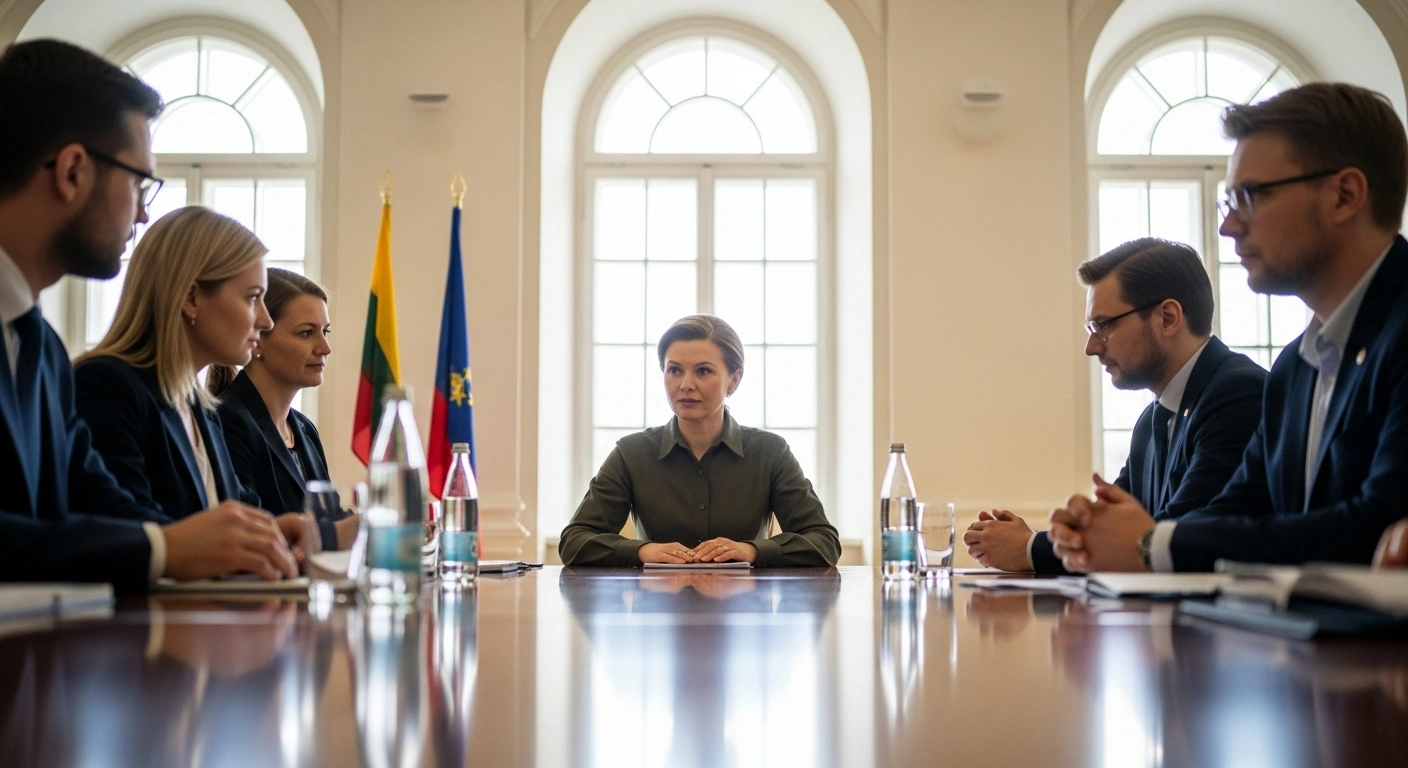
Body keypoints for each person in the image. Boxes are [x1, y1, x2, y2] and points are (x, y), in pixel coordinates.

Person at [1050, 82, 1408, 572]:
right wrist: (1122, 536)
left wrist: (1153, 546)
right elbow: (1239, 507)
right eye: (1227, 203)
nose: (1228, 227)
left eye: (1249, 196)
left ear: (1345, 195)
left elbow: (1376, 525)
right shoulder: (1293, 367)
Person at [0, 38, 295, 590]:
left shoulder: (41, 349)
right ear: (72, 172)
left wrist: (252, 543)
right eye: (139, 182)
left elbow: (101, 508)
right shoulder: (92, 376)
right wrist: (164, 547)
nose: (142, 214)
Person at [963, 238, 1264, 573]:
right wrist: (1032, 539)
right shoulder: (1151, 420)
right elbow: (1112, 530)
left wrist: (1031, 548)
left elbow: (1178, 535)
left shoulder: (1238, 394)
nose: (1091, 348)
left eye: (1103, 326)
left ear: (1167, 318)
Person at [558, 314, 840, 567]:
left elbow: (824, 542)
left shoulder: (770, 452)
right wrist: (643, 551)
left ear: (734, 381)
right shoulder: (630, 454)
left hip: (747, 615)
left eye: (703, 371)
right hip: (656, 615)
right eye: (674, 370)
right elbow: (574, 542)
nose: (685, 384)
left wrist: (751, 551)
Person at [73, 206, 289, 526]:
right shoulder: (106, 387)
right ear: (191, 298)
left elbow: (233, 523)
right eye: (252, 297)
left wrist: (291, 533)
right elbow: (125, 529)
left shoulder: (201, 407)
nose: (266, 320)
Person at [210, 268, 354, 549]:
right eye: (306, 333)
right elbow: (251, 536)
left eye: (325, 332)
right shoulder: (228, 420)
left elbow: (331, 519)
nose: (325, 348)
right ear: (258, 338)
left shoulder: (303, 429)